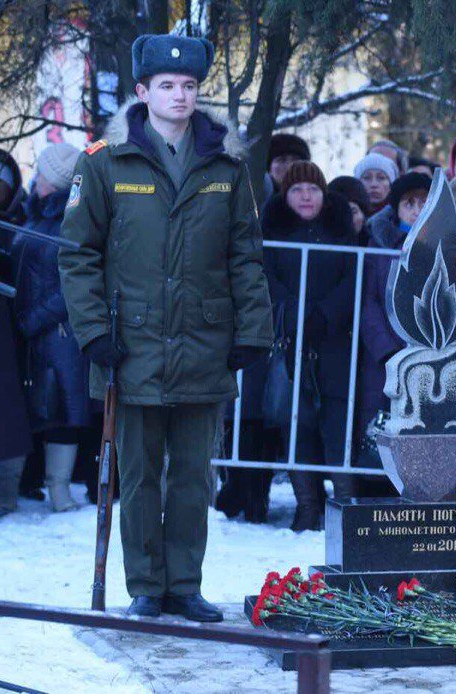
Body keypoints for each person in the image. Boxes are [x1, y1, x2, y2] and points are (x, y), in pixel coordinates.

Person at [58, 34, 273, 620]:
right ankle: (146, 585)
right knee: (138, 472)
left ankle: (185, 584)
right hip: (131, 344)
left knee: (191, 476)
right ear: (143, 91)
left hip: (204, 342)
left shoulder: (226, 167)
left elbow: (244, 256)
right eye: (167, 86)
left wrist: (254, 330)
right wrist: (93, 331)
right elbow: (77, 255)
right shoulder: (105, 161)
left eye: (189, 87)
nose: (180, 96)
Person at [262, 162, 358, 531]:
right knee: (295, 422)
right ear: (285, 196)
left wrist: (325, 314)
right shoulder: (274, 230)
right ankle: (307, 507)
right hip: (290, 338)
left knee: (337, 424)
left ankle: (345, 507)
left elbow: (353, 276)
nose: (305, 195)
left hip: (334, 340)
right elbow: (266, 274)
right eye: (296, 189)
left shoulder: (340, 230)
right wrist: (292, 311)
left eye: (313, 189)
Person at [7, 143, 89, 512]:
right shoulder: (32, 215)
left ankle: (60, 490)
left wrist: (30, 320)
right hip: (28, 331)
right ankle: (12, 489)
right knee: (24, 407)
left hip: (59, 335)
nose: (35, 178)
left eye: (42, 173)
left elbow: (74, 285)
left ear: (54, 180)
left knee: (61, 408)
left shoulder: (73, 221)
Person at [357, 172, 431, 492]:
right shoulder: (379, 246)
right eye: (409, 203)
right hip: (386, 356)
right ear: (396, 209)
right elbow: (368, 301)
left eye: (424, 203)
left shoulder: (444, 246)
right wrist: (385, 348)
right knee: (380, 425)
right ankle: (375, 488)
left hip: (429, 355)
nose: (416, 210)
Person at [0, 148, 32, 522]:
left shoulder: (21, 220)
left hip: (9, 330)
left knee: (5, 410)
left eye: (0, 177)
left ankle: (10, 489)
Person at [262, 133, 310, 205]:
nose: (290, 166)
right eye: (281, 160)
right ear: (269, 168)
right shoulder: (256, 202)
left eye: (296, 160)